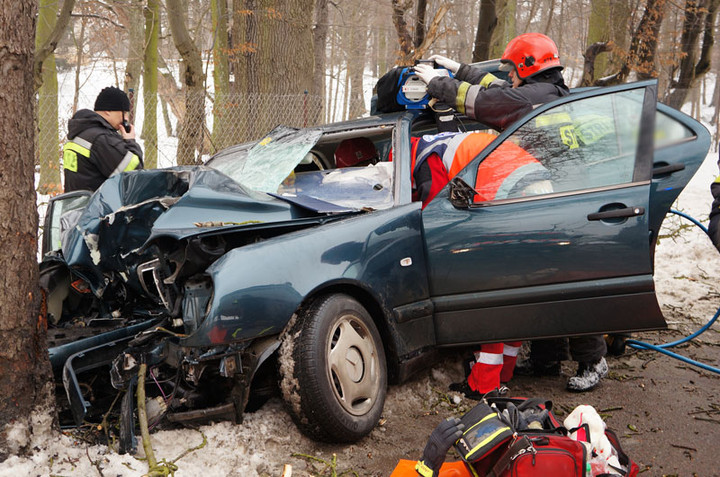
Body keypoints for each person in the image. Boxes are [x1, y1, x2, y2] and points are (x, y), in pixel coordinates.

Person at [414, 33, 608, 393]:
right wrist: (463, 70)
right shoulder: (551, 92)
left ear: (527, 68)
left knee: (569, 284)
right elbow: (500, 88)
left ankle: (593, 360)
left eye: (514, 70)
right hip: (557, 197)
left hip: (558, 201)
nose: (510, 77)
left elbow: (492, 101)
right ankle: (547, 359)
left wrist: (441, 83)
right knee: (545, 280)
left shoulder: (533, 98)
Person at [63, 86, 143, 192]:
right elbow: (135, 172)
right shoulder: (101, 139)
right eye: (124, 113)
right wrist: (130, 141)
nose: (126, 118)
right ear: (108, 111)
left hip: (79, 204)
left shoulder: (80, 132)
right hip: (98, 206)